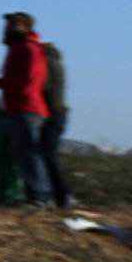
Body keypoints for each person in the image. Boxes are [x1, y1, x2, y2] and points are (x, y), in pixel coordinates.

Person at [0, 13, 53, 205]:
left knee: (29, 154)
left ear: (23, 27)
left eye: (12, 25)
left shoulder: (29, 49)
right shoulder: (17, 49)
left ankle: (40, 197)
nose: (6, 29)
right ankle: (29, 196)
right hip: (16, 109)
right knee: (18, 155)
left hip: (27, 109)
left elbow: (28, 80)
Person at [35, 37, 74, 210]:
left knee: (47, 155)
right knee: (48, 154)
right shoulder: (57, 64)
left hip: (52, 114)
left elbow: (42, 87)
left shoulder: (47, 64)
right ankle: (60, 196)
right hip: (59, 113)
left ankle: (60, 195)